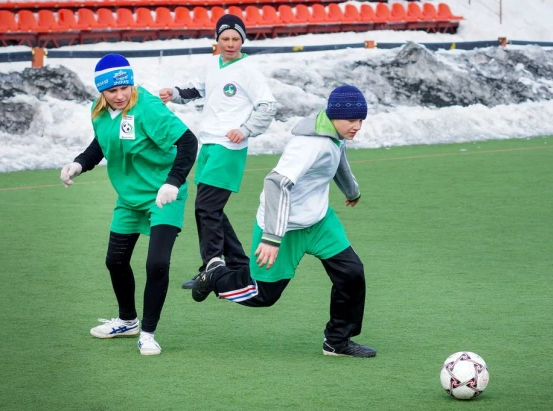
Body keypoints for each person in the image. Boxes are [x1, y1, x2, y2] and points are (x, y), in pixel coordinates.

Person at [191, 85, 376, 358]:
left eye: (361, 120)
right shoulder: (310, 144)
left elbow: (337, 160)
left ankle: (337, 341)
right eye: (352, 120)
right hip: (283, 226)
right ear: (335, 115)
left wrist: (352, 191)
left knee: (351, 273)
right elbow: (276, 184)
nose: (357, 126)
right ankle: (215, 275)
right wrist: (271, 238)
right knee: (263, 295)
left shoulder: (334, 134)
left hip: (318, 222)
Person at [60, 54, 198, 356]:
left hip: (164, 196)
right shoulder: (99, 113)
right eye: (112, 91)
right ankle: (127, 321)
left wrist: (173, 181)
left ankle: (147, 333)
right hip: (129, 199)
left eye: (125, 87)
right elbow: (101, 143)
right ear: (101, 93)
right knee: (115, 262)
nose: (120, 95)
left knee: (157, 263)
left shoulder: (147, 107)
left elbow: (189, 142)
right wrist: (79, 164)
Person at [159, 14, 277, 289]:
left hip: (229, 147)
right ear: (217, 40)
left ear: (243, 40)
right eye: (225, 38)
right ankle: (238, 264)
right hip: (209, 145)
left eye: (236, 39)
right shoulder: (212, 65)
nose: (230, 43)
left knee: (206, 207)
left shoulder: (249, 71)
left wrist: (245, 129)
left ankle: (211, 267)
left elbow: (268, 106)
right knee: (211, 209)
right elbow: (196, 90)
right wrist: (173, 93)